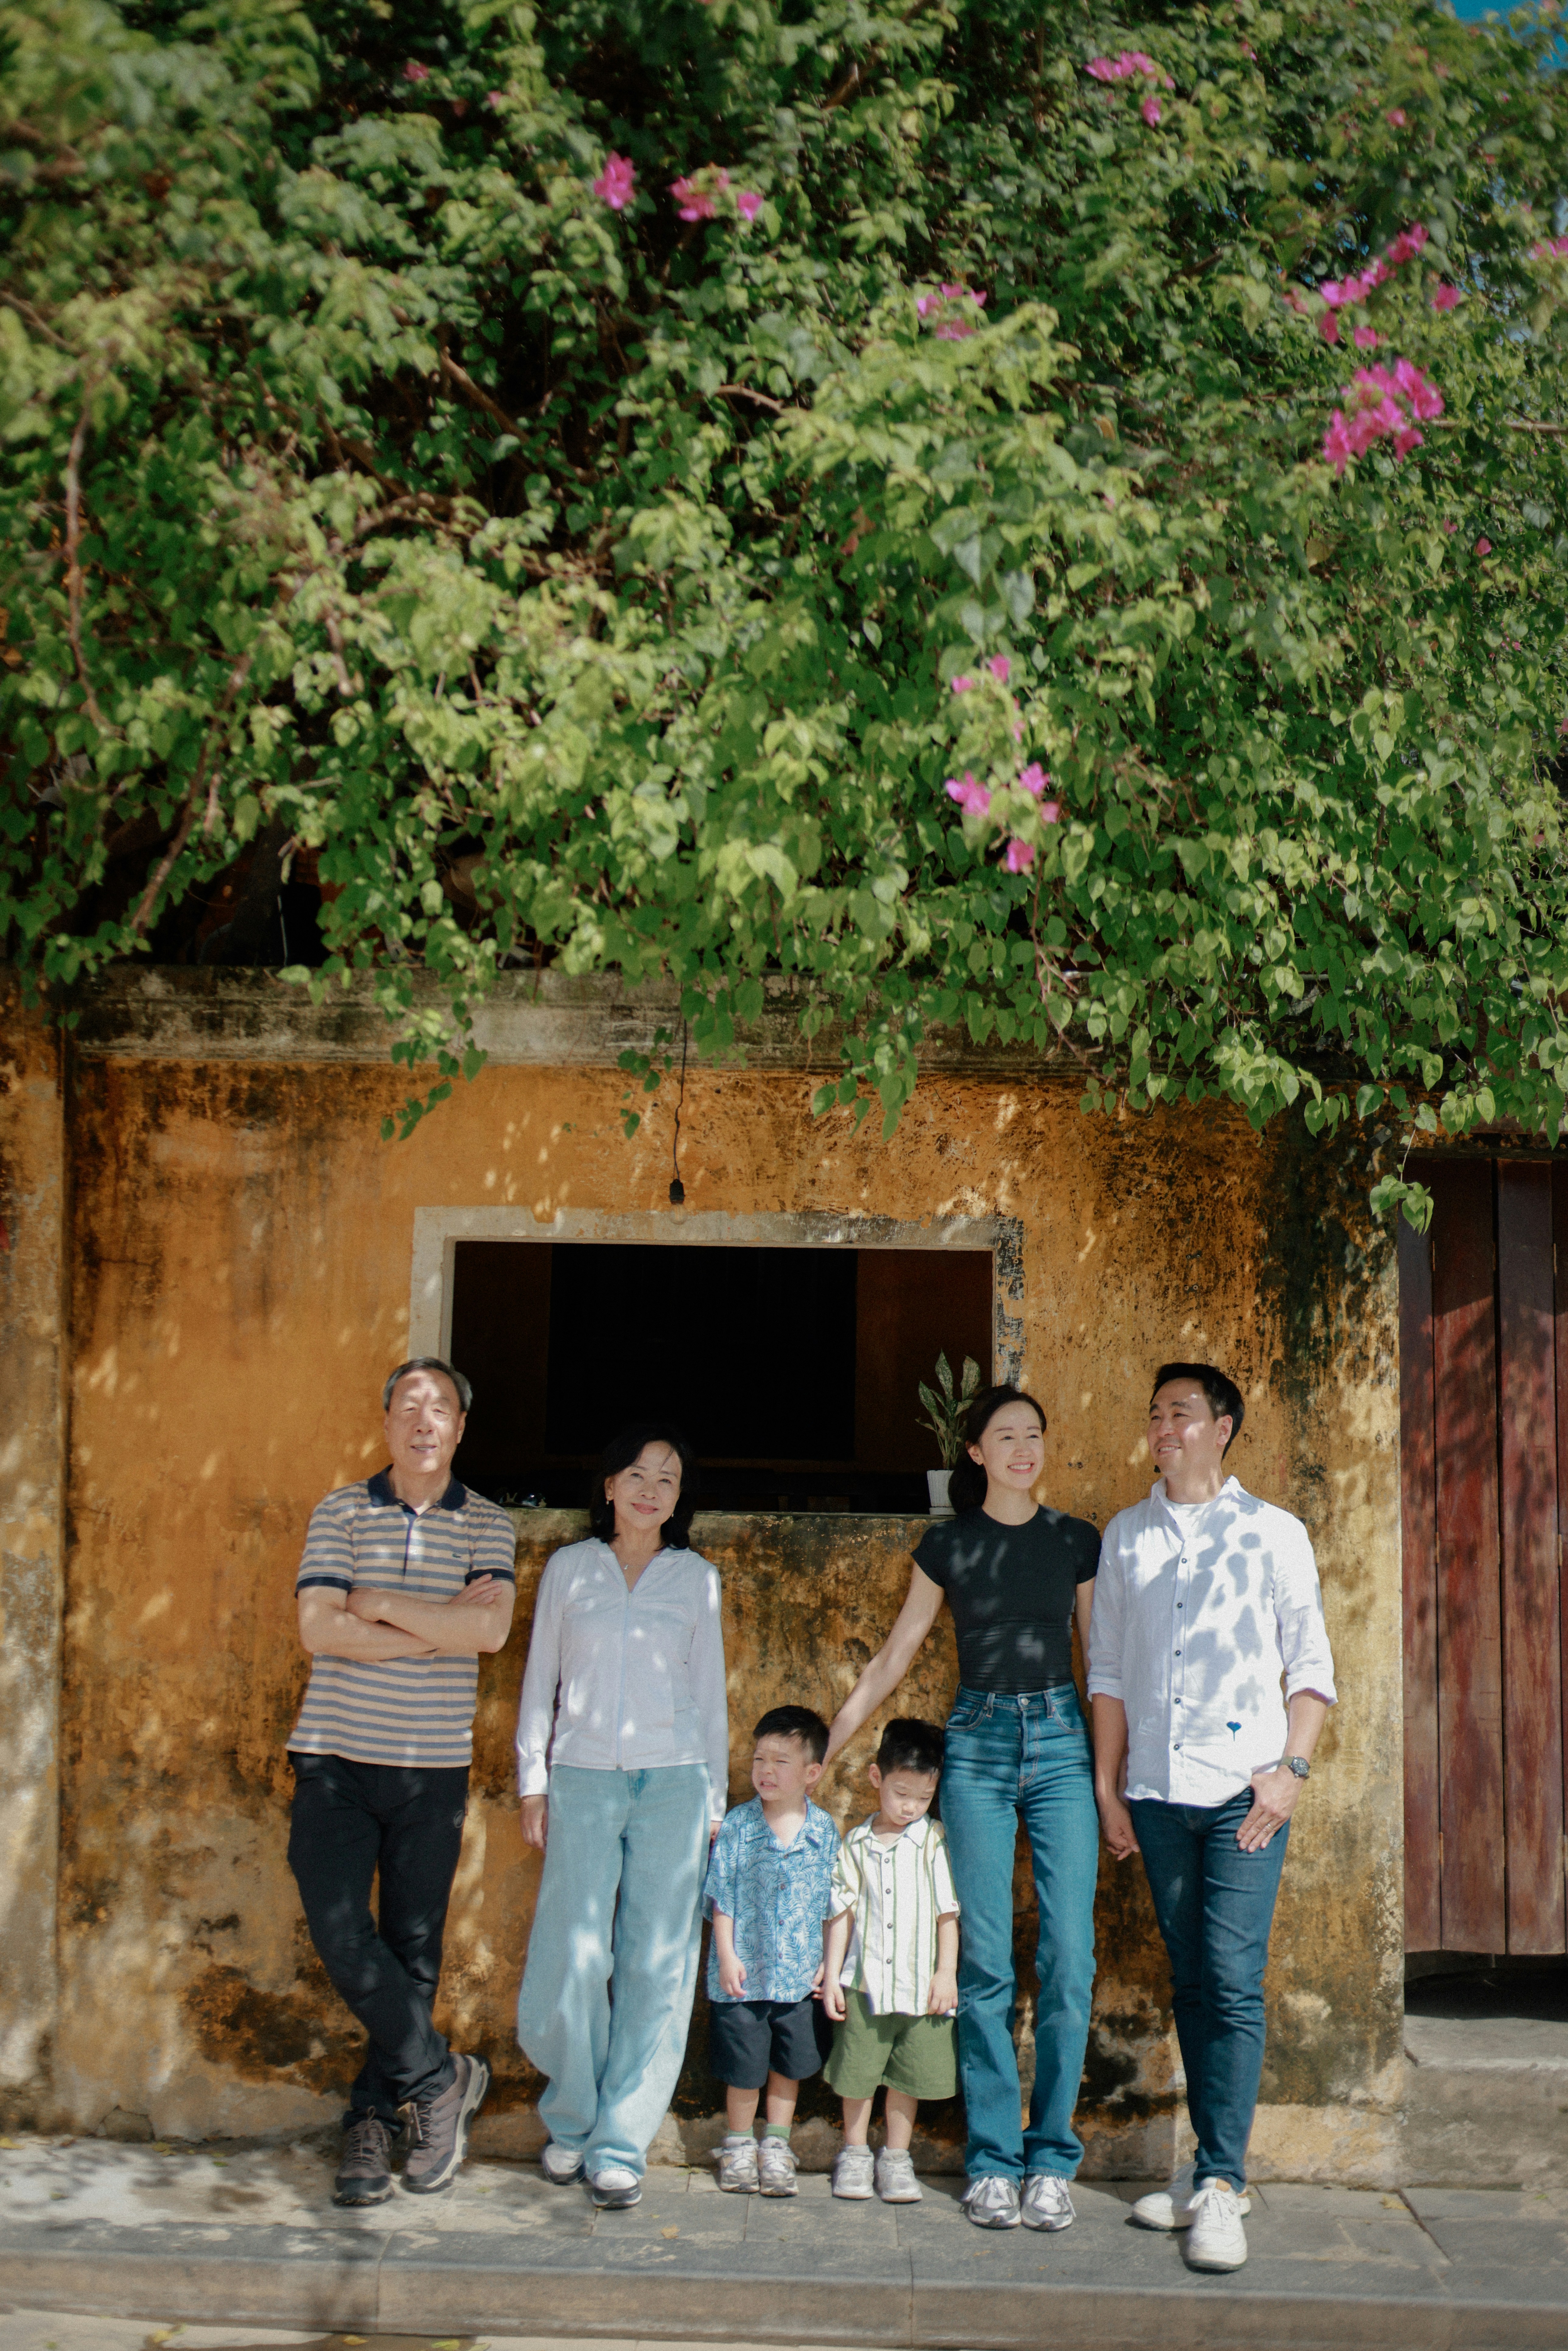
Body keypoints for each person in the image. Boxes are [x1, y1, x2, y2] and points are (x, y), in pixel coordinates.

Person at [824, 1384, 1100, 2232]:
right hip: (976, 1743)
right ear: (973, 1451)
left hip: (1061, 1740)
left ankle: (1050, 2155)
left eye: (1034, 1433)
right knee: (982, 1962)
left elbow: (1105, 1666)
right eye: (1004, 1434)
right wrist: (827, 1747)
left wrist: (1111, 1777)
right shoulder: (947, 1544)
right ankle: (992, 2158)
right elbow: (898, 1651)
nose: (1023, 1446)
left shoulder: (1074, 1540)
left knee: (1069, 1955)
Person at [1089, 1362, 1337, 2275]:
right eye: (1154, 1412)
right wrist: (1111, 1787)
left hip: (1244, 1794)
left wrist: (1291, 1772)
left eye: (1181, 1413)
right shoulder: (1128, 1534)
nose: (1163, 1427)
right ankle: (1205, 2173)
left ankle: (1225, 2184)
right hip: (1156, 1794)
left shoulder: (1273, 1533)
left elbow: (1310, 1663)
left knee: (1232, 1979)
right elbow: (1107, 1669)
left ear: (1222, 1426)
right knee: (1191, 1980)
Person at [288, 1358, 517, 2207]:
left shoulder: (488, 1524)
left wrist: (376, 1603)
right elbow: (318, 1628)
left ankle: (372, 2118)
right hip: (334, 1760)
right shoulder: (340, 1509)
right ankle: (440, 2076)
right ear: (386, 1422)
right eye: (410, 1405)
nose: (426, 1419)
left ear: (461, 1427)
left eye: (443, 1406)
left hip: (431, 1766)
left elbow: (489, 1630)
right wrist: (435, 1629)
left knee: (412, 1952)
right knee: (345, 1933)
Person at [515, 1421, 728, 2211]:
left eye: (667, 1478)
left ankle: (619, 2140)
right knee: (573, 1952)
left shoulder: (693, 1577)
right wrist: (531, 1777)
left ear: (679, 1499)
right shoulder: (571, 1568)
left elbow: (709, 1692)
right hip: (580, 1775)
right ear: (607, 1484)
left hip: (675, 1780)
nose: (649, 1487)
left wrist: (713, 1799)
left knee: (658, 1964)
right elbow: (541, 1678)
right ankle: (570, 2115)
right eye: (636, 1473)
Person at [704, 1705, 840, 2196]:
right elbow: (723, 1896)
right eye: (760, 1757)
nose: (765, 1769)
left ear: (812, 1772)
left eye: (781, 1761)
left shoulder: (824, 1831)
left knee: (788, 2063)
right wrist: (726, 1954)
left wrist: (831, 1960)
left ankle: (776, 2144)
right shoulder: (739, 1826)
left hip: (799, 1978)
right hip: (743, 1975)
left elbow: (834, 1905)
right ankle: (739, 2143)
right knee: (743, 2064)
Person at [822, 1718, 959, 2203]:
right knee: (858, 2071)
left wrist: (946, 1974)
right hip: (865, 1981)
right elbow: (841, 1910)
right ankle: (855, 2152)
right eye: (901, 1793)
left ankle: (897, 2158)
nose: (910, 1807)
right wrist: (833, 1975)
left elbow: (948, 1912)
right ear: (875, 1778)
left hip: (921, 1985)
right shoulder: (855, 1843)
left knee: (909, 2074)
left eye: (922, 1798)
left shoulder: (933, 1840)